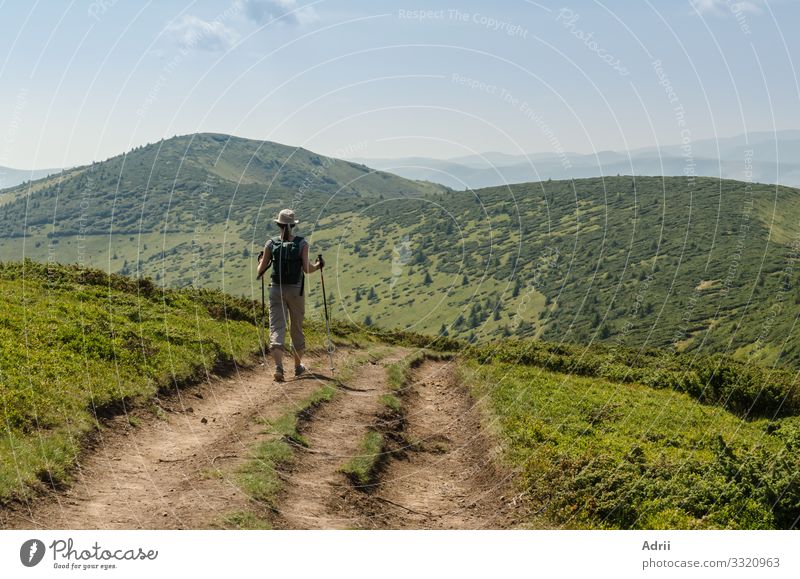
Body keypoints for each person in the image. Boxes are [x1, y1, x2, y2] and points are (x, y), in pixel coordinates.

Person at [256, 209, 324, 382]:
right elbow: (307, 269)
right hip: (295, 290)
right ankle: (297, 366)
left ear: (278, 224)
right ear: (293, 225)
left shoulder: (270, 244)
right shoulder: (302, 244)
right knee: (296, 326)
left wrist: (260, 261)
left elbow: (260, 270)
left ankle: (279, 367)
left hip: (276, 289)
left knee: (277, 327)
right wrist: (318, 265)